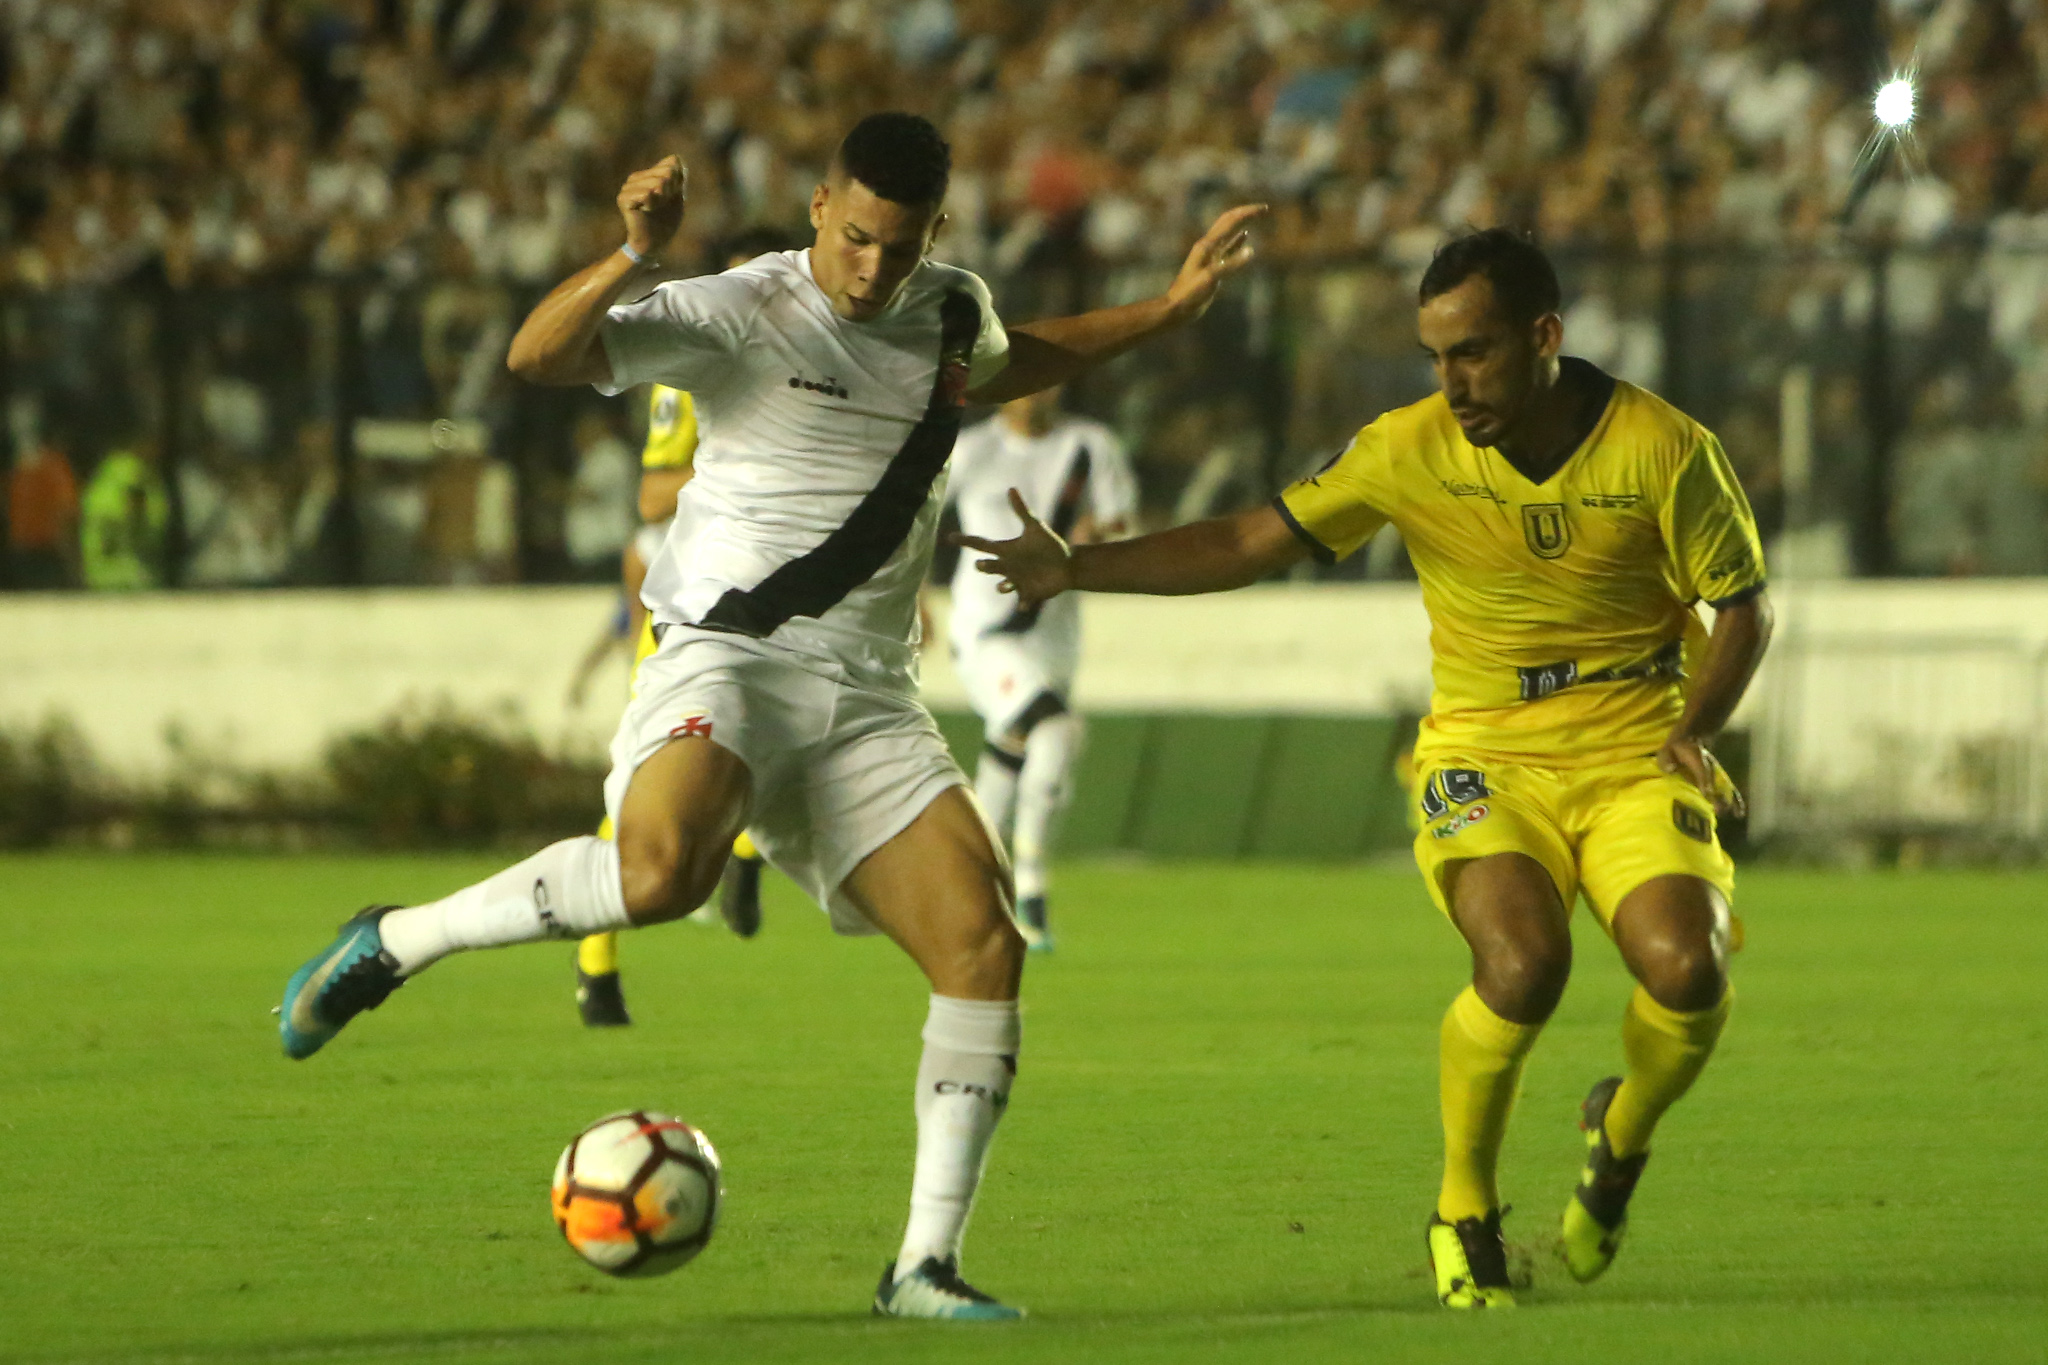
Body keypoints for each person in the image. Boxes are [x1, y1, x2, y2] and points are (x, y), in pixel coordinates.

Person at [277, 111, 1262, 1319]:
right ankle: (396, 940)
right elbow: (537, 359)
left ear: (934, 233)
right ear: (818, 207)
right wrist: (633, 254)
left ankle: (921, 1269)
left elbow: (1013, 361)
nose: (873, 267)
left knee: (982, 946)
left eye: (900, 245)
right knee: (659, 877)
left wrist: (1165, 311)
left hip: (868, 695)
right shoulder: (741, 305)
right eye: (856, 238)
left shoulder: (951, 309)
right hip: (731, 656)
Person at [960, 228, 1771, 1310]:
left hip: (1635, 749)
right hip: (1484, 752)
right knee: (1523, 963)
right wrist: (1076, 566)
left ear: (1543, 337)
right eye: (1434, 357)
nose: (1451, 383)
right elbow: (1247, 542)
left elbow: (1743, 608)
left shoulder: (1663, 447)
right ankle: (1463, 1209)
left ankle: (1617, 1138)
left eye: (1473, 352)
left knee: (1687, 969)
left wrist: (1696, 729)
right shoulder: (1405, 447)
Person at [572, 227, 799, 1027]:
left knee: (787, 740)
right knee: (651, 780)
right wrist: (751, 461)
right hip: (695, 600)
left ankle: (745, 854)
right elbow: (651, 496)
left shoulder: (819, 360)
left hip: (783, 593)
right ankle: (596, 960)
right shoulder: (692, 367)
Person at [943, 386, 1135, 950]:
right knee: (1054, 728)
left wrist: (1090, 535)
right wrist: (915, 596)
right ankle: (1030, 890)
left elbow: (1120, 520)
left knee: (1015, 743)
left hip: (1054, 631)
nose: (1038, 392)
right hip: (985, 630)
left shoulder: (1089, 445)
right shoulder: (971, 449)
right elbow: (915, 517)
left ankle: (974, 879)